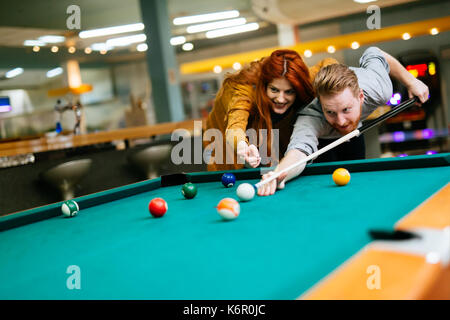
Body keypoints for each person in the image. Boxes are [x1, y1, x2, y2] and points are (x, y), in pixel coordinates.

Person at [257, 46, 429, 196]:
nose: (340, 121)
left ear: (361, 97)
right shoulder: (311, 116)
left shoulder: (378, 88)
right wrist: (279, 173)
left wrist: (411, 81)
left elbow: (375, 53)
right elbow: (298, 152)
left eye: (346, 109)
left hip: (354, 135)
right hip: (322, 143)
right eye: (330, 111)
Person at [204, 49, 338, 171]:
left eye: (289, 92)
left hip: (274, 130)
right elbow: (234, 127)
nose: (280, 99)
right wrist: (241, 146)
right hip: (223, 138)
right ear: (264, 85)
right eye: (274, 90)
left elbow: (330, 63)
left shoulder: (305, 79)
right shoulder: (243, 88)